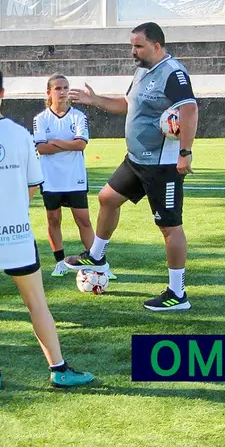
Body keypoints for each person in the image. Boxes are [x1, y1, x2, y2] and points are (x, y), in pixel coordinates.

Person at [0, 63, 95, 390]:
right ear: (2, 93)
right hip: (16, 232)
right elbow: (32, 186)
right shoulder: (20, 134)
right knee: (36, 302)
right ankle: (58, 368)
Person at [66, 22, 199, 312]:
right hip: (136, 160)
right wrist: (95, 100)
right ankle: (97, 256)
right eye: (132, 45)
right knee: (107, 198)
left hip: (162, 166)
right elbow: (128, 104)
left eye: (138, 46)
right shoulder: (142, 71)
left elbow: (190, 109)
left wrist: (185, 153)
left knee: (169, 227)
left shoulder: (173, 73)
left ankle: (177, 294)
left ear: (157, 46)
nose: (133, 51)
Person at [32, 74, 113, 279]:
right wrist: (67, 144)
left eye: (65, 87)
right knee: (53, 219)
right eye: (58, 88)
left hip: (74, 177)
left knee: (83, 220)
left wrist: (57, 142)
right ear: (49, 92)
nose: (63, 92)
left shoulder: (78, 116)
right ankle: (59, 262)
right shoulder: (40, 119)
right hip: (50, 178)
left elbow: (81, 144)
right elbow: (41, 148)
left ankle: (100, 264)